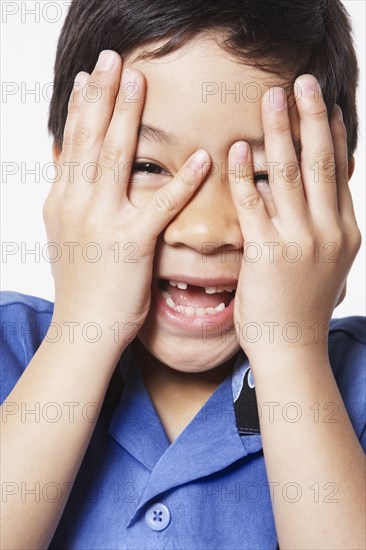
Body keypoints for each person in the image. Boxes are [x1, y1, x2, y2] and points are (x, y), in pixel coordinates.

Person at [1, 1, 365, 548]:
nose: (204, 228)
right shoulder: (13, 349)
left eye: (262, 175)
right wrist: (87, 327)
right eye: (147, 167)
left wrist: (291, 350)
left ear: (331, 195)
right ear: (67, 177)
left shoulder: (354, 385)